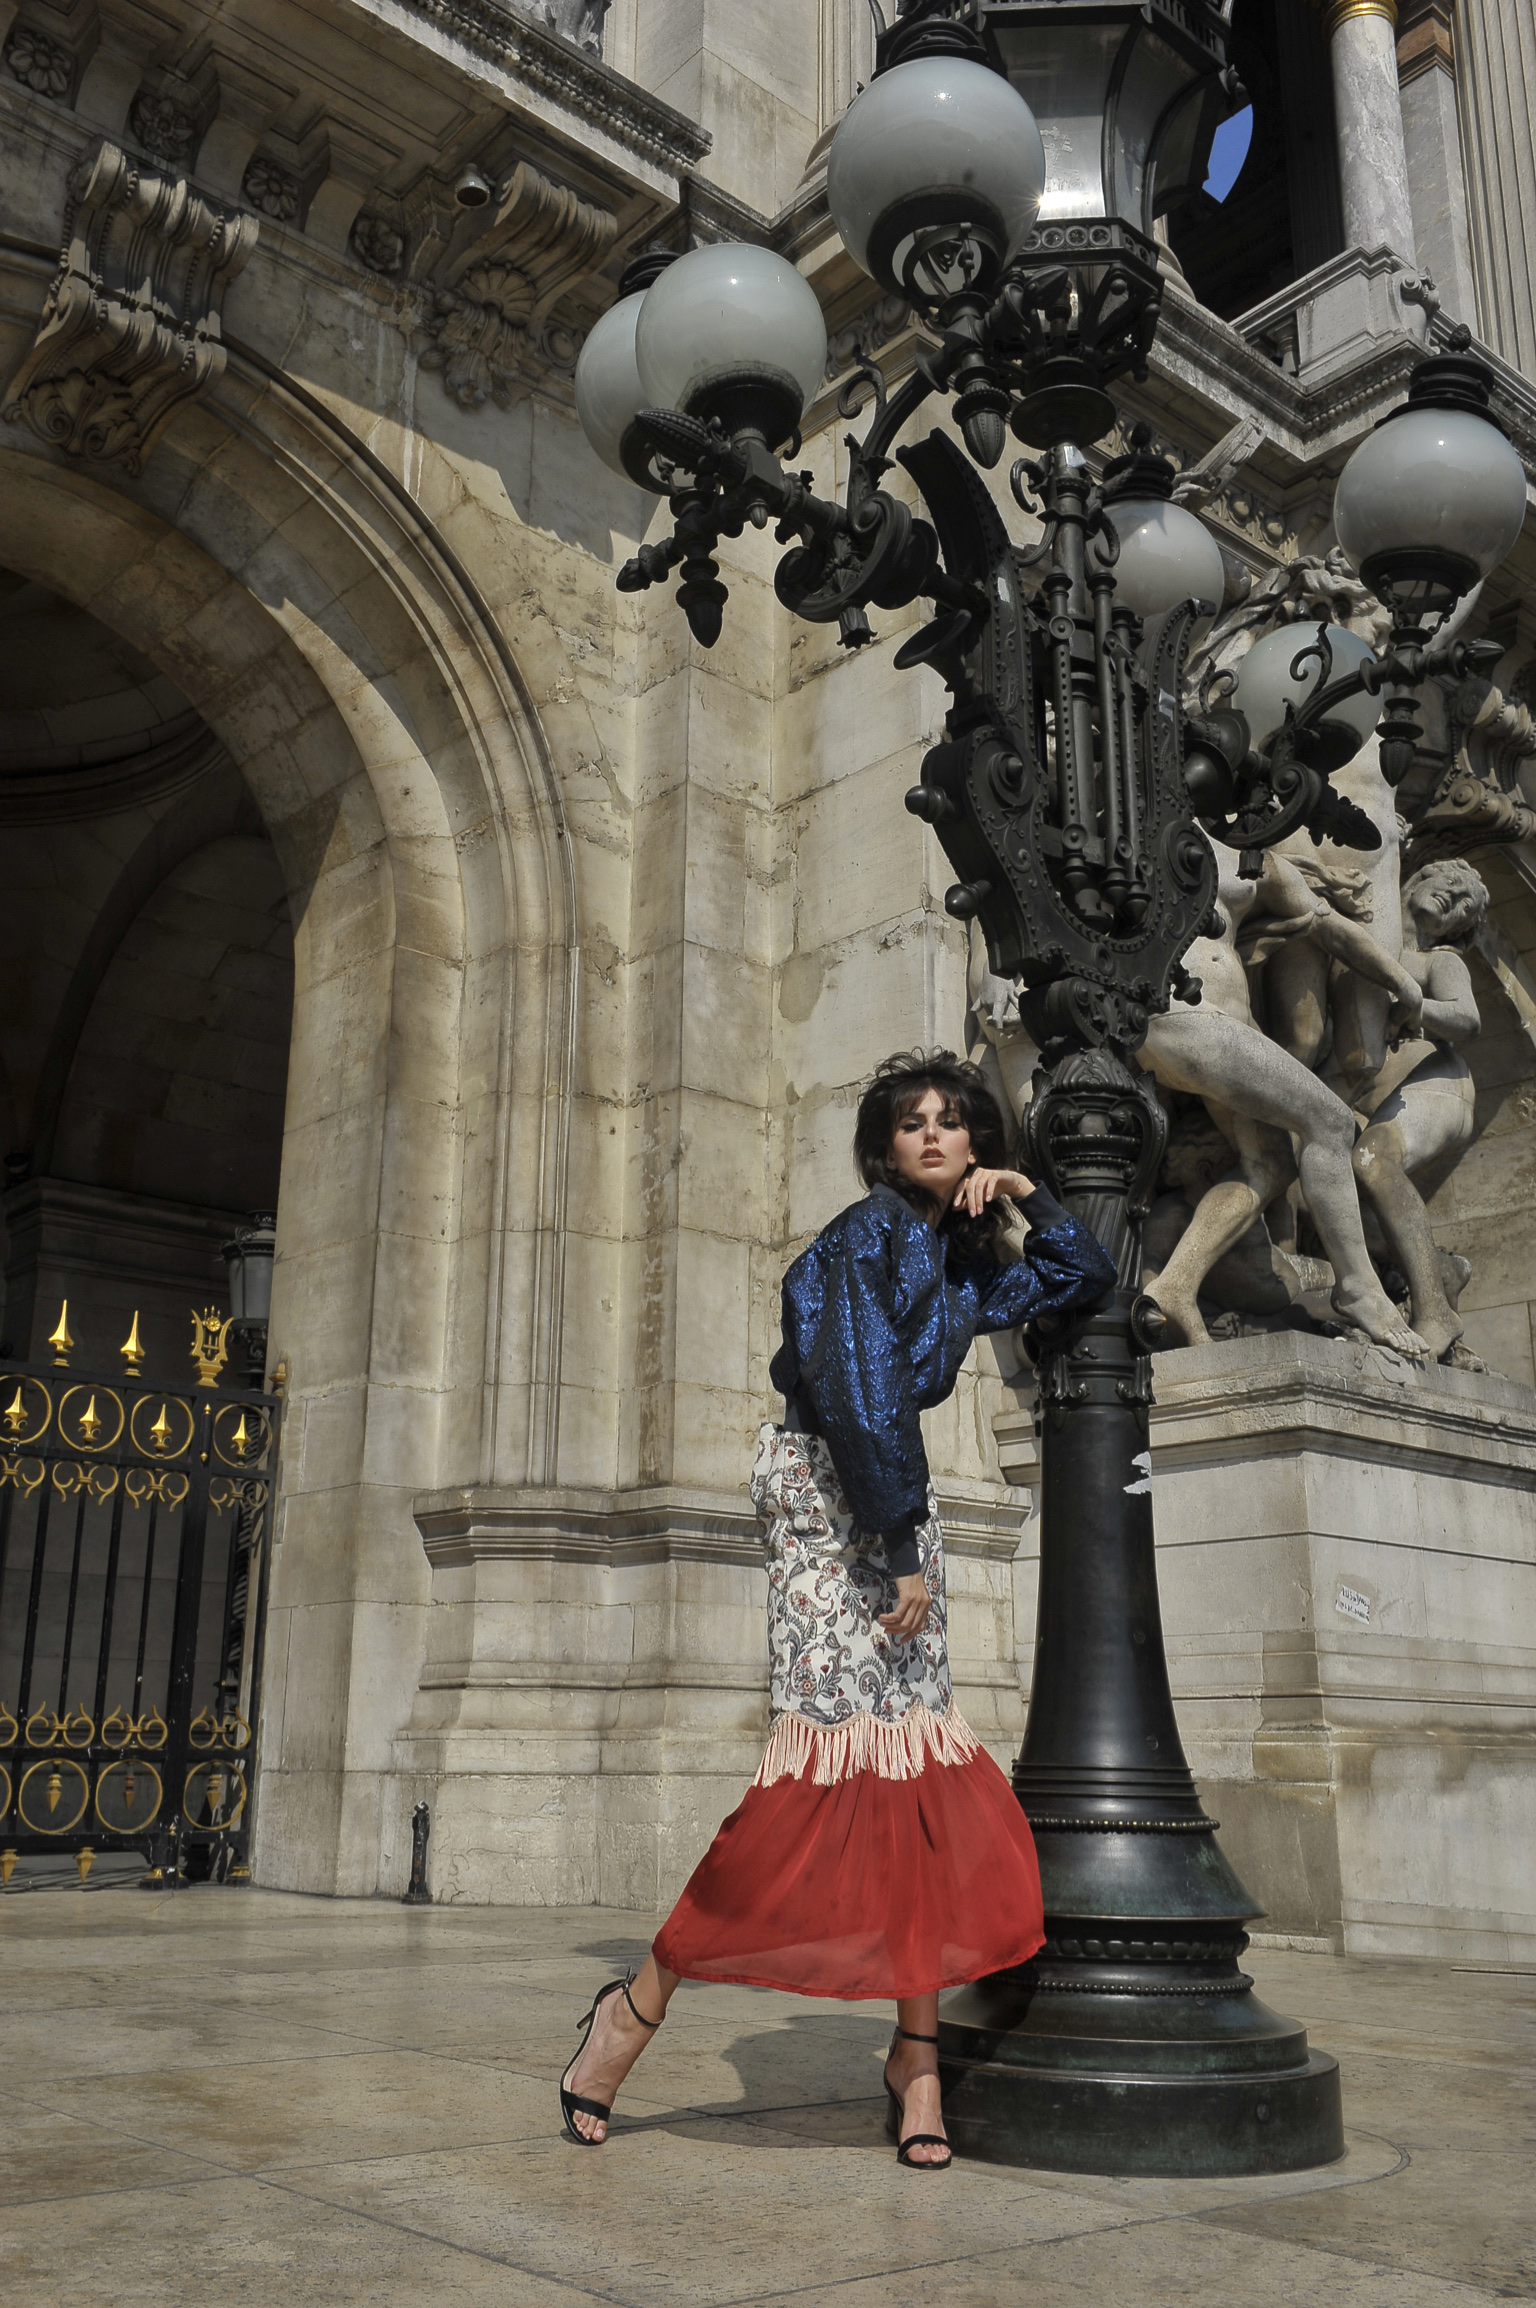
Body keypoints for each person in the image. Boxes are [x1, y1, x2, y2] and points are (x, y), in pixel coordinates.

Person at [559, 1049, 1115, 2167]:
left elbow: (1081, 1275)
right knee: (805, 1785)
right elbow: (858, 1394)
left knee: (914, 1787)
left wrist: (1027, 1193)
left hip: (893, 1507)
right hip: (836, 1506)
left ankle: (918, 2059)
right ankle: (633, 2008)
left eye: (953, 1121)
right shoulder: (864, 1236)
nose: (932, 1134)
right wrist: (901, 1546)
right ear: (884, 1146)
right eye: (911, 1121)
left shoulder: (955, 1267)